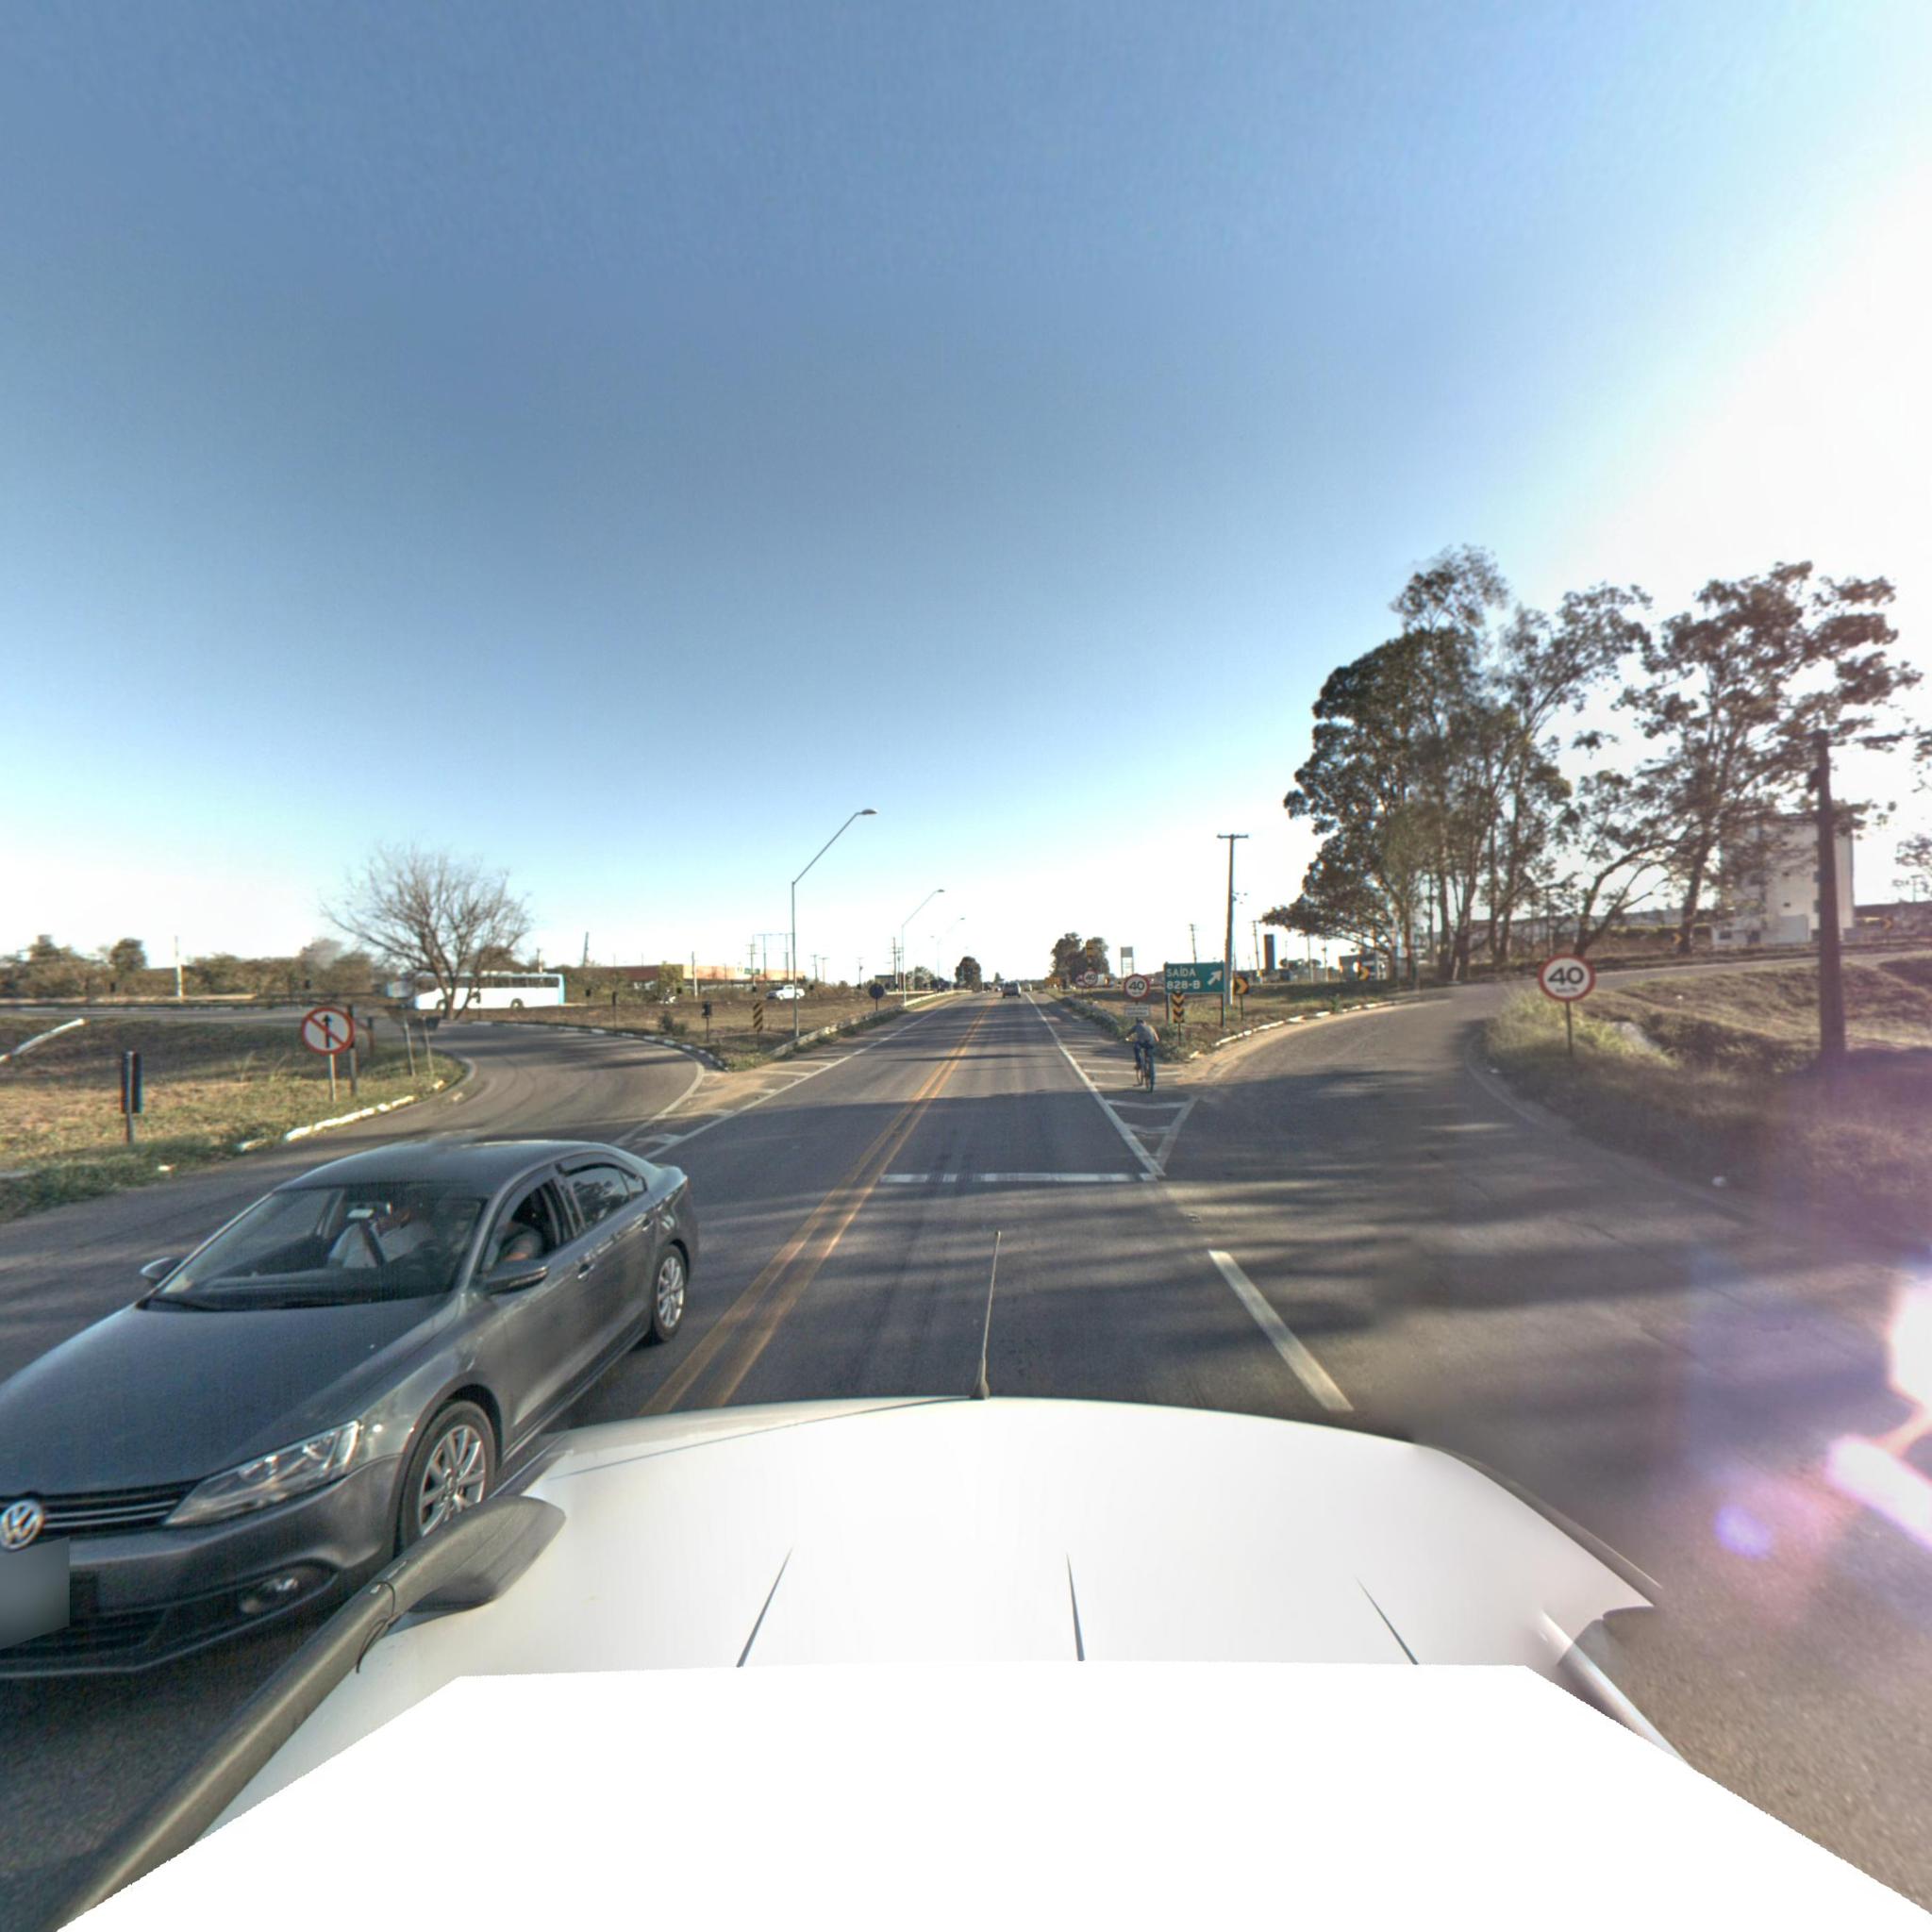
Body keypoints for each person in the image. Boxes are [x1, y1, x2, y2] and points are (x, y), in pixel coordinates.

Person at [1127, 1014, 1159, 1089]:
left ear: (1138, 1022)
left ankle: (1139, 1063)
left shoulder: (1137, 1026)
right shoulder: (1150, 1027)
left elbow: (1129, 1034)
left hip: (1141, 1043)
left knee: (1136, 1048)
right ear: (1145, 1022)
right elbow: (1157, 1039)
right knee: (1151, 1060)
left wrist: (1127, 1039)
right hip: (1151, 1044)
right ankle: (1152, 1081)